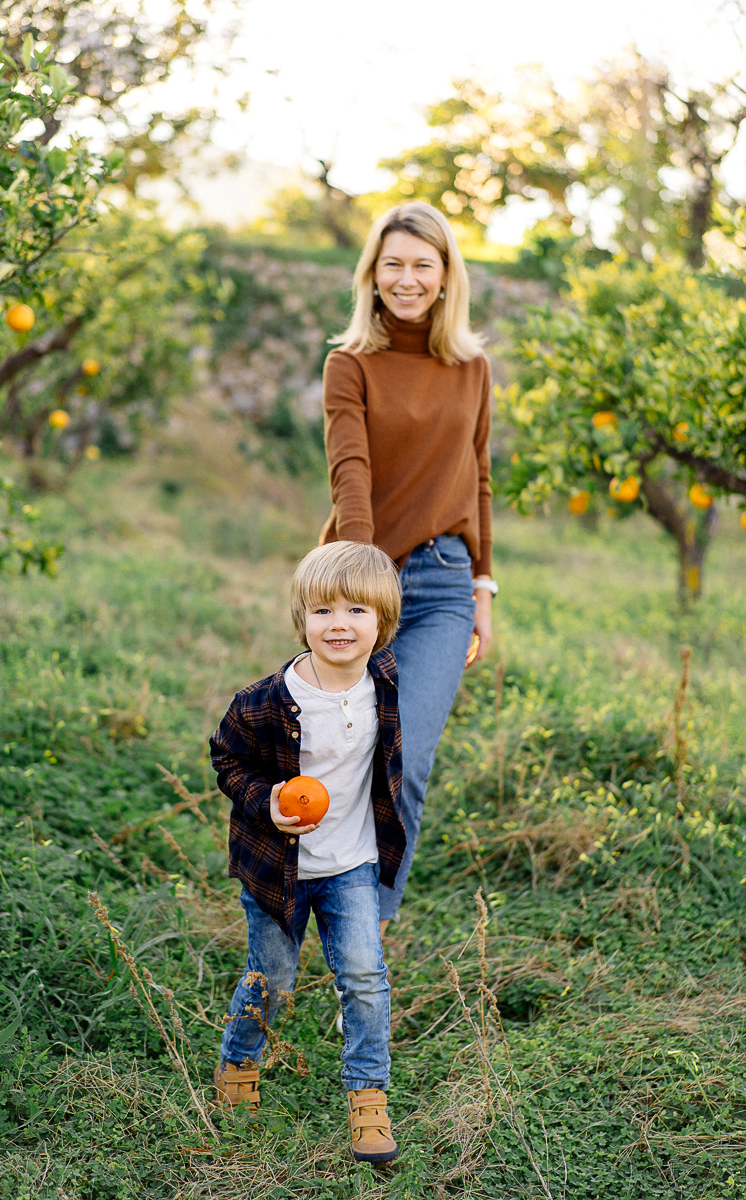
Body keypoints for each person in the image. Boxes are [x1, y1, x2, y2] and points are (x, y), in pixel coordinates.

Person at [321, 201, 497, 934]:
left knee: (402, 765)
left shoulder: (471, 368)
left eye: (423, 264)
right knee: (338, 755)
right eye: (393, 262)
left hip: (444, 586)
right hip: (362, 582)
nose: (407, 278)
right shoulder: (349, 364)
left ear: (446, 275)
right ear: (373, 273)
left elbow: (478, 475)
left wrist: (484, 586)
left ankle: (365, 946)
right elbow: (350, 472)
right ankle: (309, 910)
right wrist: (360, 579)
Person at [209, 540, 405, 1163]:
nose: (339, 624)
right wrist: (264, 800)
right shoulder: (266, 701)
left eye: (356, 612)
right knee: (273, 979)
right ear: (302, 619)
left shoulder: (386, 685)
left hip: (352, 864)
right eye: (322, 611)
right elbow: (226, 758)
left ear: (383, 623)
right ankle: (238, 1067)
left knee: (365, 980)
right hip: (278, 871)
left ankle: (368, 1099)